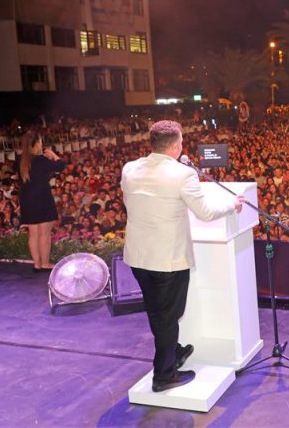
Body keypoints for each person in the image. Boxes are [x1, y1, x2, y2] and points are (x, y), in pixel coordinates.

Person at [121, 120, 244, 393]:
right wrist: (232, 203)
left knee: (156, 312)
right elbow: (206, 212)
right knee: (168, 316)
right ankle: (164, 375)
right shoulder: (182, 175)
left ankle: (172, 352)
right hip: (168, 259)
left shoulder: (129, 169)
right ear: (176, 146)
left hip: (138, 257)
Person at [16, 131, 66, 271]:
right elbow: (61, 165)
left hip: (27, 199)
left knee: (33, 233)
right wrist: (52, 155)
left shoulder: (19, 160)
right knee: (44, 233)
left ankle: (36, 264)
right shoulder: (41, 160)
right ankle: (45, 263)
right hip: (42, 197)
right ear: (37, 143)